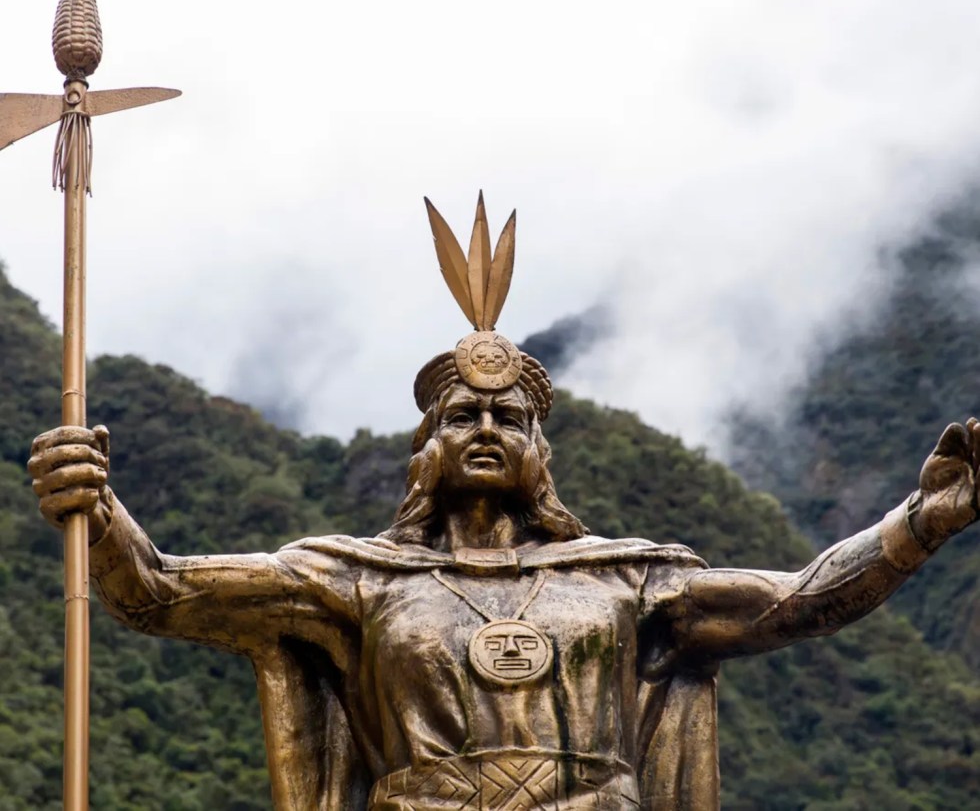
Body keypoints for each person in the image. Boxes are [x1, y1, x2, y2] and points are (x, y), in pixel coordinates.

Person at [27, 197, 980, 811]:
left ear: (538, 450)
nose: (485, 428)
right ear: (427, 447)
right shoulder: (355, 581)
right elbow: (159, 592)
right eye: (462, 416)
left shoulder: (625, 579)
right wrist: (97, 510)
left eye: (509, 418)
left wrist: (922, 521)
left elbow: (799, 600)